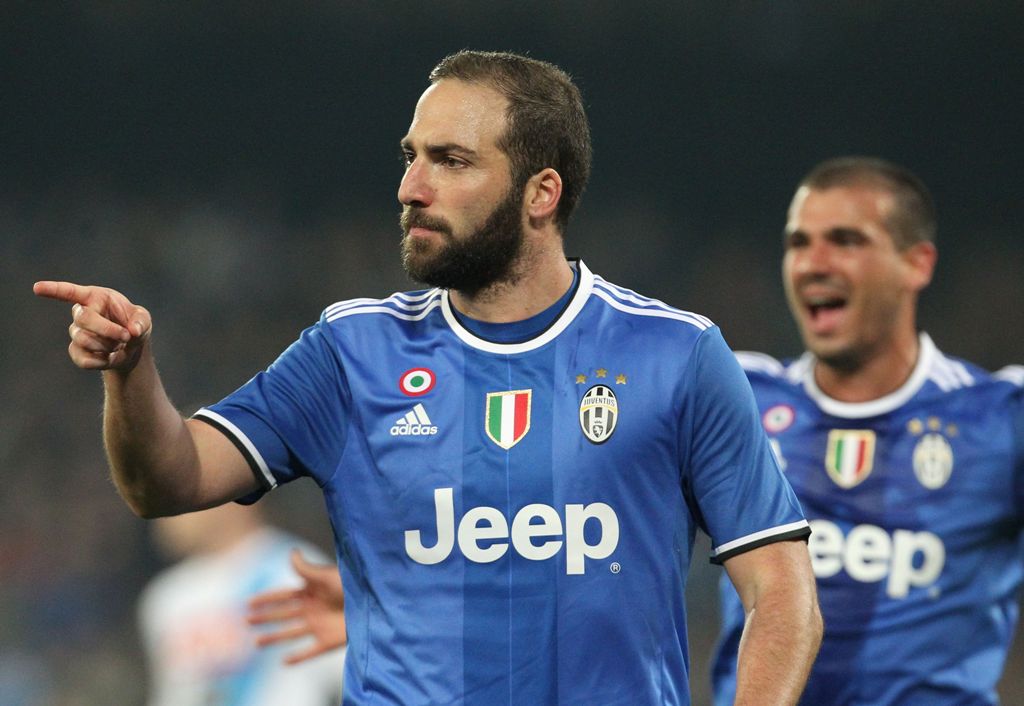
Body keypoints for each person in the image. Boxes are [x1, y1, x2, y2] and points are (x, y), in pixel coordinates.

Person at [34, 50, 821, 705]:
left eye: (450, 161)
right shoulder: (351, 352)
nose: (412, 188)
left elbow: (782, 596)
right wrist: (131, 375)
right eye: (411, 158)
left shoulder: (675, 354)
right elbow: (167, 482)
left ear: (541, 192)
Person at [711, 156, 1024, 705]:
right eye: (799, 243)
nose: (813, 263)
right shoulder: (738, 398)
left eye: (846, 240)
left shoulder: (998, 419)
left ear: (916, 264)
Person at [138, 503, 344, 705]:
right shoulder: (167, 596)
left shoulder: (295, 572)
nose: (162, 515)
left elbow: (346, 673)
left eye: (175, 493)